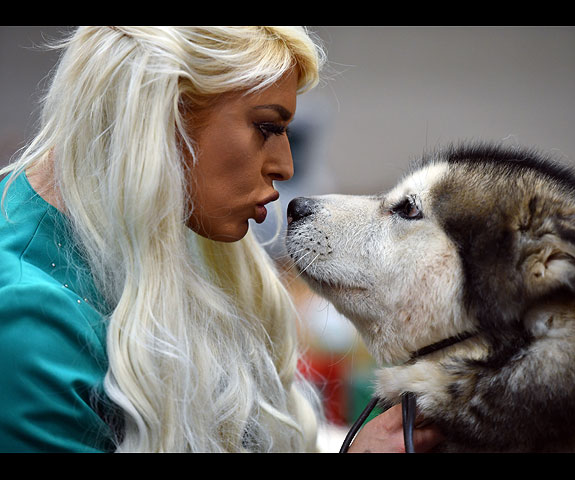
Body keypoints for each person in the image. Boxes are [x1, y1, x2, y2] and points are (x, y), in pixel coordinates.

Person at [0, 26, 443, 453]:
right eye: (267, 127)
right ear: (164, 109)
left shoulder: (168, 221)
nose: (285, 167)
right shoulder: (27, 327)